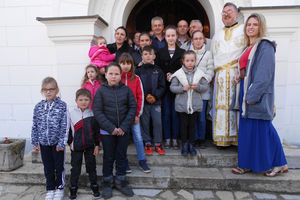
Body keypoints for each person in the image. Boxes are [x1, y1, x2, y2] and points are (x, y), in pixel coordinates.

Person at [231, 13, 288, 176]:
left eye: (255, 24)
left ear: (260, 27)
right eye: (248, 24)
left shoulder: (265, 45)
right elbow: (249, 71)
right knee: (248, 131)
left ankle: (279, 163)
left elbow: (264, 75)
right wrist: (240, 76)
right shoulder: (248, 47)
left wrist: (251, 96)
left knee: (264, 129)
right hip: (246, 92)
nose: (250, 27)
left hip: (256, 95)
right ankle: (247, 164)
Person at [93, 63, 136, 199]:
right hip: (107, 132)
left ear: (120, 75)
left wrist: (123, 127)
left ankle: (121, 181)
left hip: (123, 131)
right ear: (105, 75)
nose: (113, 76)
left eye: (116, 74)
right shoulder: (101, 91)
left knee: (121, 156)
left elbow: (132, 108)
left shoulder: (127, 90)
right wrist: (111, 128)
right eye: (110, 73)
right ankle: (107, 182)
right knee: (108, 157)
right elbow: (98, 112)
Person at [210, 2, 245, 148]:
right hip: (220, 76)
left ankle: (237, 139)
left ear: (236, 14)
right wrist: (212, 75)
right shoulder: (217, 34)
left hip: (237, 75)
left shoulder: (244, 30)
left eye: (229, 11)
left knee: (235, 106)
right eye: (223, 12)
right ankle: (221, 139)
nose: (226, 14)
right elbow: (212, 56)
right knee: (220, 108)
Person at [31, 77, 67, 200]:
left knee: (59, 166)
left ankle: (60, 188)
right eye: (45, 90)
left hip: (57, 143)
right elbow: (35, 125)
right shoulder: (38, 107)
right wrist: (35, 141)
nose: (48, 92)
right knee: (48, 167)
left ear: (56, 90)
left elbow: (64, 126)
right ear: (42, 91)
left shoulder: (62, 106)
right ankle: (50, 188)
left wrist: (61, 143)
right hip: (43, 143)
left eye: (51, 89)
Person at [170, 50, 209, 156]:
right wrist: (182, 88)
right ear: (183, 61)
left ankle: (191, 144)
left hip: (195, 104)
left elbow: (205, 86)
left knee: (192, 126)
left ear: (195, 61)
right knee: (183, 126)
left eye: (192, 60)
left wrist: (198, 87)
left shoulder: (200, 74)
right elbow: (172, 87)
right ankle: (184, 144)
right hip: (182, 105)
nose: (190, 63)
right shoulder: (178, 74)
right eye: (187, 60)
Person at [118, 53, 151, 173]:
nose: (125, 66)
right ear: (119, 64)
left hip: (134, 115)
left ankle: (142, 161)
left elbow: (140, 96)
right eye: (123, 63)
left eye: (128, 63)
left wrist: (138, 114)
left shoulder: (136, 78)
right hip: (121, 116)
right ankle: (124, 161)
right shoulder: (117, 79)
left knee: (138, 137)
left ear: (132, 65)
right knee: (123, 140)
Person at [67, 89, 100, 199]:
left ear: (90, 101)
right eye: (80, 99)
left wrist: (96, 145)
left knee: (91, 168)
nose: (83, 102)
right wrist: (70, 143)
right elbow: (68, 131)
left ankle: (94, 187)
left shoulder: (93, 114)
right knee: (75, 169)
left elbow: (96, 131)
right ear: (76, 100)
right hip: (76, 148)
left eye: (86, 99)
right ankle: (73, 189)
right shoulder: (71, 115)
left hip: (90, 147)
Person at [157, 25, 185, 149]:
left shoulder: (182, 52)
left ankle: (175, 138)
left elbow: (185, 69)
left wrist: (174, 74)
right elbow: (157, 69)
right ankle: (167, 137)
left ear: (177, 36)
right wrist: (165, 75)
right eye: (168, 36)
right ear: (165, 37)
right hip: (165, 87)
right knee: (166, 113)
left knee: (176, 113)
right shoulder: (160, 52)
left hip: (178, 88)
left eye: (173, 35)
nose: (171, 38)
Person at [136, 46, 166, 155]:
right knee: (145, 123)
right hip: (143, 102)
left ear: (154, 56)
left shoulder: (158, 70)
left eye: (150, 54)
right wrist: (145, 97)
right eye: (145, 54)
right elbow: (137, 86)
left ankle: (158, 143)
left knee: (157, 123)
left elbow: (162, 86)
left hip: (156, 102)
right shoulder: (138, 71)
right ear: (142, 56)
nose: (148, 56)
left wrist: (155, 96)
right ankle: (147, 143)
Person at [189, 30, 214, 148]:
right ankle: (193, 138)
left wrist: (203, 82)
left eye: (200, 38)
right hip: (191, 90)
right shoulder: (188, 53)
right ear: (192, 40)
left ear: (204, 40)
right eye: (195, 39)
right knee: (192, 116)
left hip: (203, 90)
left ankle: (201, 139)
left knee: (201, 117)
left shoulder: (208, 54)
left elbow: (210, 70)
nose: (198, 41)